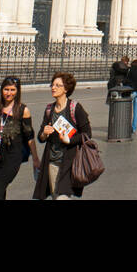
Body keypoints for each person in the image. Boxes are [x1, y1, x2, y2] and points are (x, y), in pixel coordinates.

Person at [33, 72, 91, 200]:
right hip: (52, 161)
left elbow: (87, 134)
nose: (53, 88)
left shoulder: (75, 107)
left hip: (70, 162)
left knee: (62, 197)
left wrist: (69, 140)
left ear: (66, 89)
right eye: (52, 85)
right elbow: (40, 138)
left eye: (58, 85)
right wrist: (44, 133)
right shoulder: (49, 109)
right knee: (56, 196)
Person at [0, 76, 38, 200]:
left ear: (17, 92)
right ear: (2, 90)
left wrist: (35, 159)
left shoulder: (23, 110)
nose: (9, 93)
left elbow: (29, 135)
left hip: (13, 155)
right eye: (6, 89)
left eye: (12, 90)